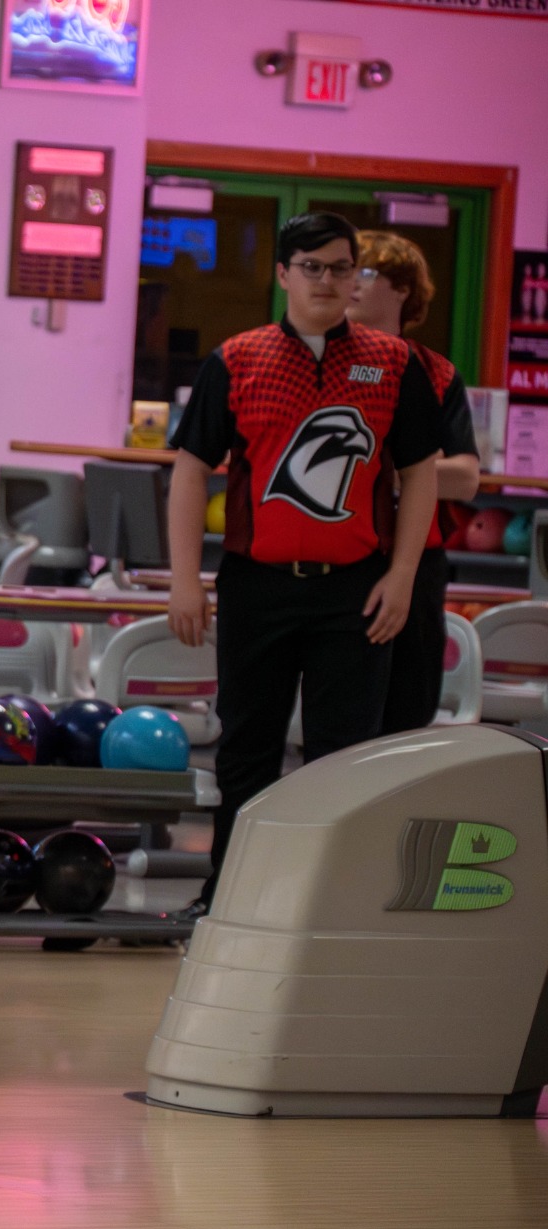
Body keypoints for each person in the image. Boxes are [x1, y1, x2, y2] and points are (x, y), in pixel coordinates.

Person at [166, 212, 444, 919]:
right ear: (283, 274)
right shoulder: (236, 359)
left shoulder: (395, 363)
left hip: (355, 591)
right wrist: (184, 578)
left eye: (341, 267)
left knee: (342, 758)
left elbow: (420, 472)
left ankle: (328, 902)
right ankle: (226, 895)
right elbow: (192, 469)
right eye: (311, 266)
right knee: (246, 751)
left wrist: (405, 574)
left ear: (357, 277)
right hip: (256, 585)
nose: (327, 279)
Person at [347, 230, 482, 733]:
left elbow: (466, 479)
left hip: (418, 563)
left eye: (365, 272)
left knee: (407, 710)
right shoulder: (321, 361)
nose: (350, 284)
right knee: (342, 716)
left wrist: (391, 475)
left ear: (402, 290)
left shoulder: (434, 372)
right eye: (345, 272)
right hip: (343, 559)